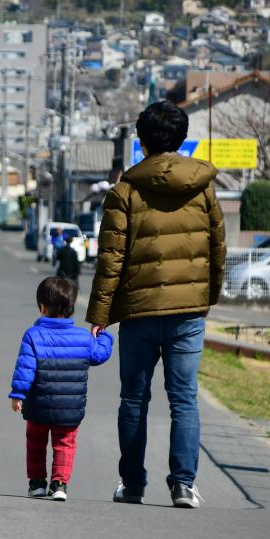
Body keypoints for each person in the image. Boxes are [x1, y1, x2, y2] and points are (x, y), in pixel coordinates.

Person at [86, 100, 226, 509]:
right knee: (184, 398)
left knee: (134, 399)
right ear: (181, 139)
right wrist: (207, 297)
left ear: (141, 141)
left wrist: (99, 315)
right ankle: (183, 484)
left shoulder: (125, 191)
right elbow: (217, 248)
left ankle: (132, 485)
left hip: (138, 313)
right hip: (188, 313)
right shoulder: (203, 186)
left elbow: (110, 258)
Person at [9, 277, 114, 501]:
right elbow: (100, 354)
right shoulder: (83, 338)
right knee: (65, 443)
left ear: (41, 307)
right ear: (71, 308)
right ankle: (59, 484)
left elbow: (25, 368)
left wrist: (18, 395)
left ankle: (37, 483)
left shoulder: (33, 335)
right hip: (70, 407)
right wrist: (103, 335)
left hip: (38, 404)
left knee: (36, 442)